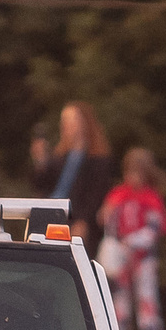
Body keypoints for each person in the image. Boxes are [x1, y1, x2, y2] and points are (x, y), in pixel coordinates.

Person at [98, 149, 166, 330]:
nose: (133, 177)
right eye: (130, 172)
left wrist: (132, 241)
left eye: (138, 172)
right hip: (122, 256)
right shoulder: (118, 194)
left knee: (146, 295)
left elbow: (154, 230)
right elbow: (105, 220)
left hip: (144, 257)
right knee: (119, 296)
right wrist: (108, 213)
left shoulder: (151, 198)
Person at [44, 102, 115, 251]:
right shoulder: (60, 157)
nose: (66, 125)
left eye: (71, 120)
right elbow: (42, 183)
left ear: (84, 123)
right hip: (52, 212)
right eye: (64, 121)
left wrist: (83, 220)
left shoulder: (97, 159)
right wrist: (40, 161)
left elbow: (96, 193)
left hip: (76, 217)